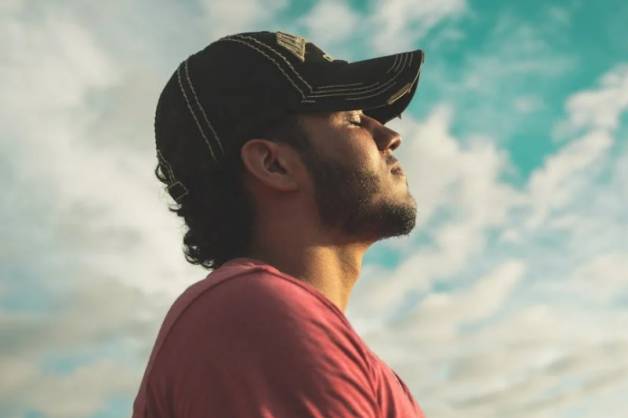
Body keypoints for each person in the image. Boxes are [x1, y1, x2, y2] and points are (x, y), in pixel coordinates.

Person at [131, 30, 426, 417]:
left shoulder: (271, 323)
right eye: (354, 119)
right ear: (274, 165)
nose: (390, 136)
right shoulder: (253, 315)